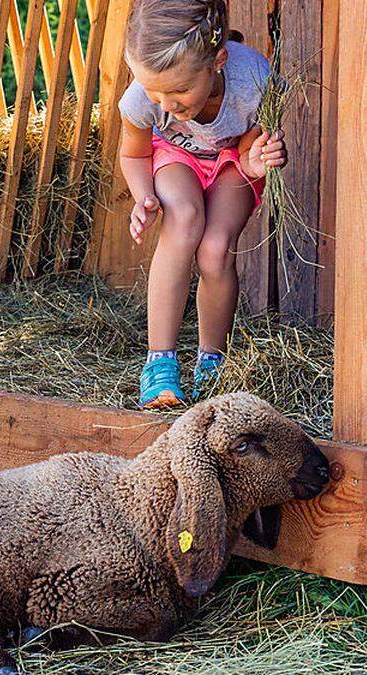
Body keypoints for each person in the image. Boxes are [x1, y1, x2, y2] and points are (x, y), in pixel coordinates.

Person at [117, 0, 287, 408]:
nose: (167, 104)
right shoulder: (144, 100)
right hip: (176, 157)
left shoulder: (253, 81)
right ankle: (160, 365)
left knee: (214, 252)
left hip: (233, 162)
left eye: (179, 90)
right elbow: (134, 154)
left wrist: (257, 159)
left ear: (218, 61)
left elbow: (251, 148)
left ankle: (213, 364)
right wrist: (144, 196)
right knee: (185, 219)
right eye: (156, 92)